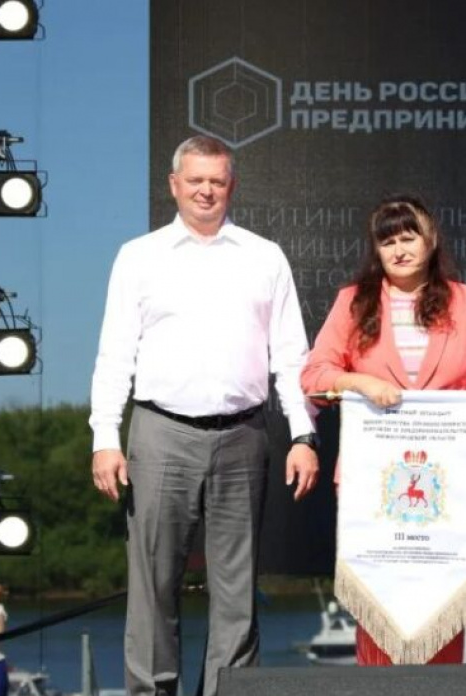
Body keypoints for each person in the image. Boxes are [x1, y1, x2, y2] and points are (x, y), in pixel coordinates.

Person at [89, 135, 320, 696]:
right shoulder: (138, 256)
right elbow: (115, 354)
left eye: (216, 181)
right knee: (153, 587)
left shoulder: (264, 256)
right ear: (174, 185)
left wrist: (303, 433)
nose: (206, 191)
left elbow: (291, 355)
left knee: (237, 593)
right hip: (160, 433)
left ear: (231, 186)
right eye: (195, 180)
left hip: (244, 435)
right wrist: (104, 436)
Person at [301, 194, 466, 664]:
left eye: (408, 237)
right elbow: (315, 377)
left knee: (443, 609)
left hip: (449, 483)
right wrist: (360, 382)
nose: (399, 249)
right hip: (371, 483)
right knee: (378, 615)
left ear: (430, 240)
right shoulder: (353, 302)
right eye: (387, 241)